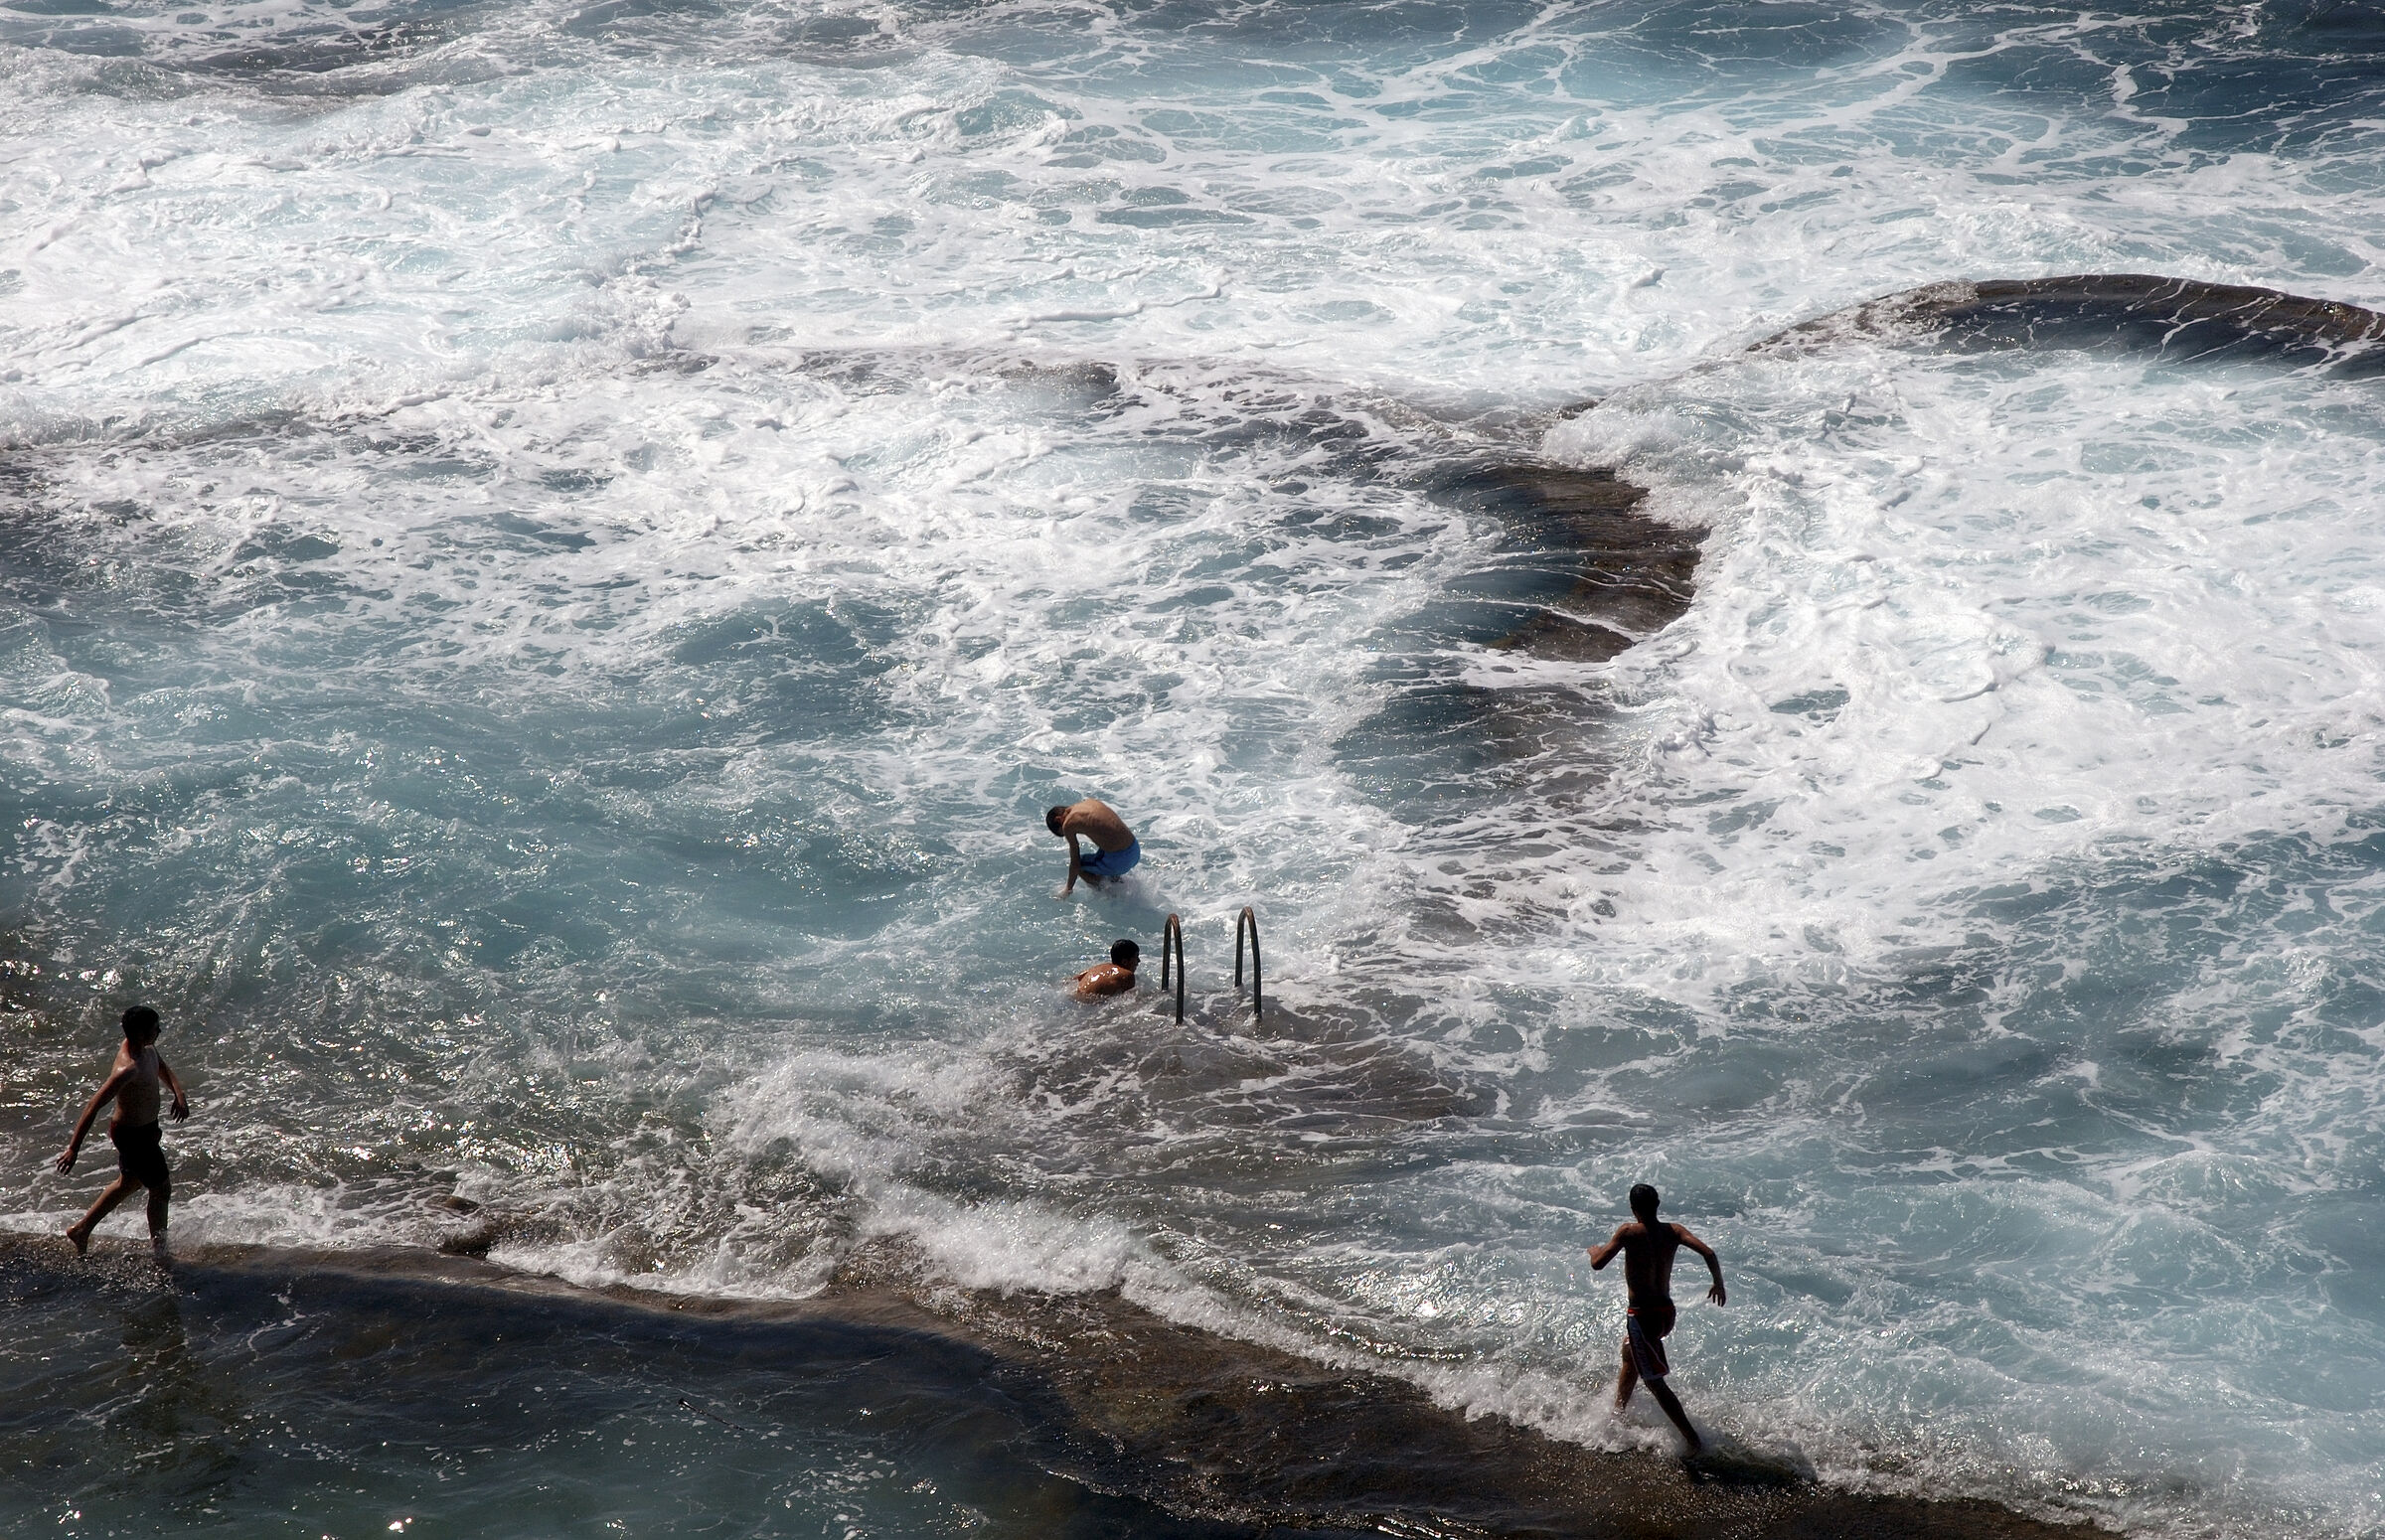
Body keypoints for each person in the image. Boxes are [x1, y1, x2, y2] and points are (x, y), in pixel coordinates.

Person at [1588, 1182, 1725, 1452]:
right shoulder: (1673, 1231)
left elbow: (1598, 1263)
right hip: (1665, 1313)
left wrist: (1594, 1250)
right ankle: (1618, 1414)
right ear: (1657, 1205)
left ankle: (1693, 1440)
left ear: (1632, 1208)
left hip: (1642, 1315)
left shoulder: (1628, 1232)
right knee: (1630, 1355)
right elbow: (1709, 1252)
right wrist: (1718, 1283)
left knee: (1653, 1382)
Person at [56, 1005, 191, 1260]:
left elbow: (163, 1067)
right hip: (133, 1136)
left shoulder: (147, 1050)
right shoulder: (128, 1070)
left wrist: (179, 1095)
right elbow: (93, 1106)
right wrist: (73, 1148)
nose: (159, 1031)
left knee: (129, 1182)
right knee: (161, 1190)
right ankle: (160, 1252)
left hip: (147, 1130)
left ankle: (81, 1230)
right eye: (155, 1029)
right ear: (140, 1034)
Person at [1046, 798, 1139, 895]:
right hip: (1134, 850)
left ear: (1059, 819)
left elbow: (1076, 864)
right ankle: (1118, 882)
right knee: (1102, 852)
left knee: (1081, 865)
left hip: (1118, 861)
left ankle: (1109, 894)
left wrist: (1068, 890)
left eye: (1063, 832)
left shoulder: (1068, 824)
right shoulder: (1089, 802)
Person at [1071, 939, 1140, 1000]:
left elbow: (1073, 979)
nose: (1138, 961)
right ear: (1124, 961)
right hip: (1091, 1005)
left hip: (1075, 997)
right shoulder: (1127, 975)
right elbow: (1130, 1000)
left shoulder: (1098, 967)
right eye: (1136, 957)